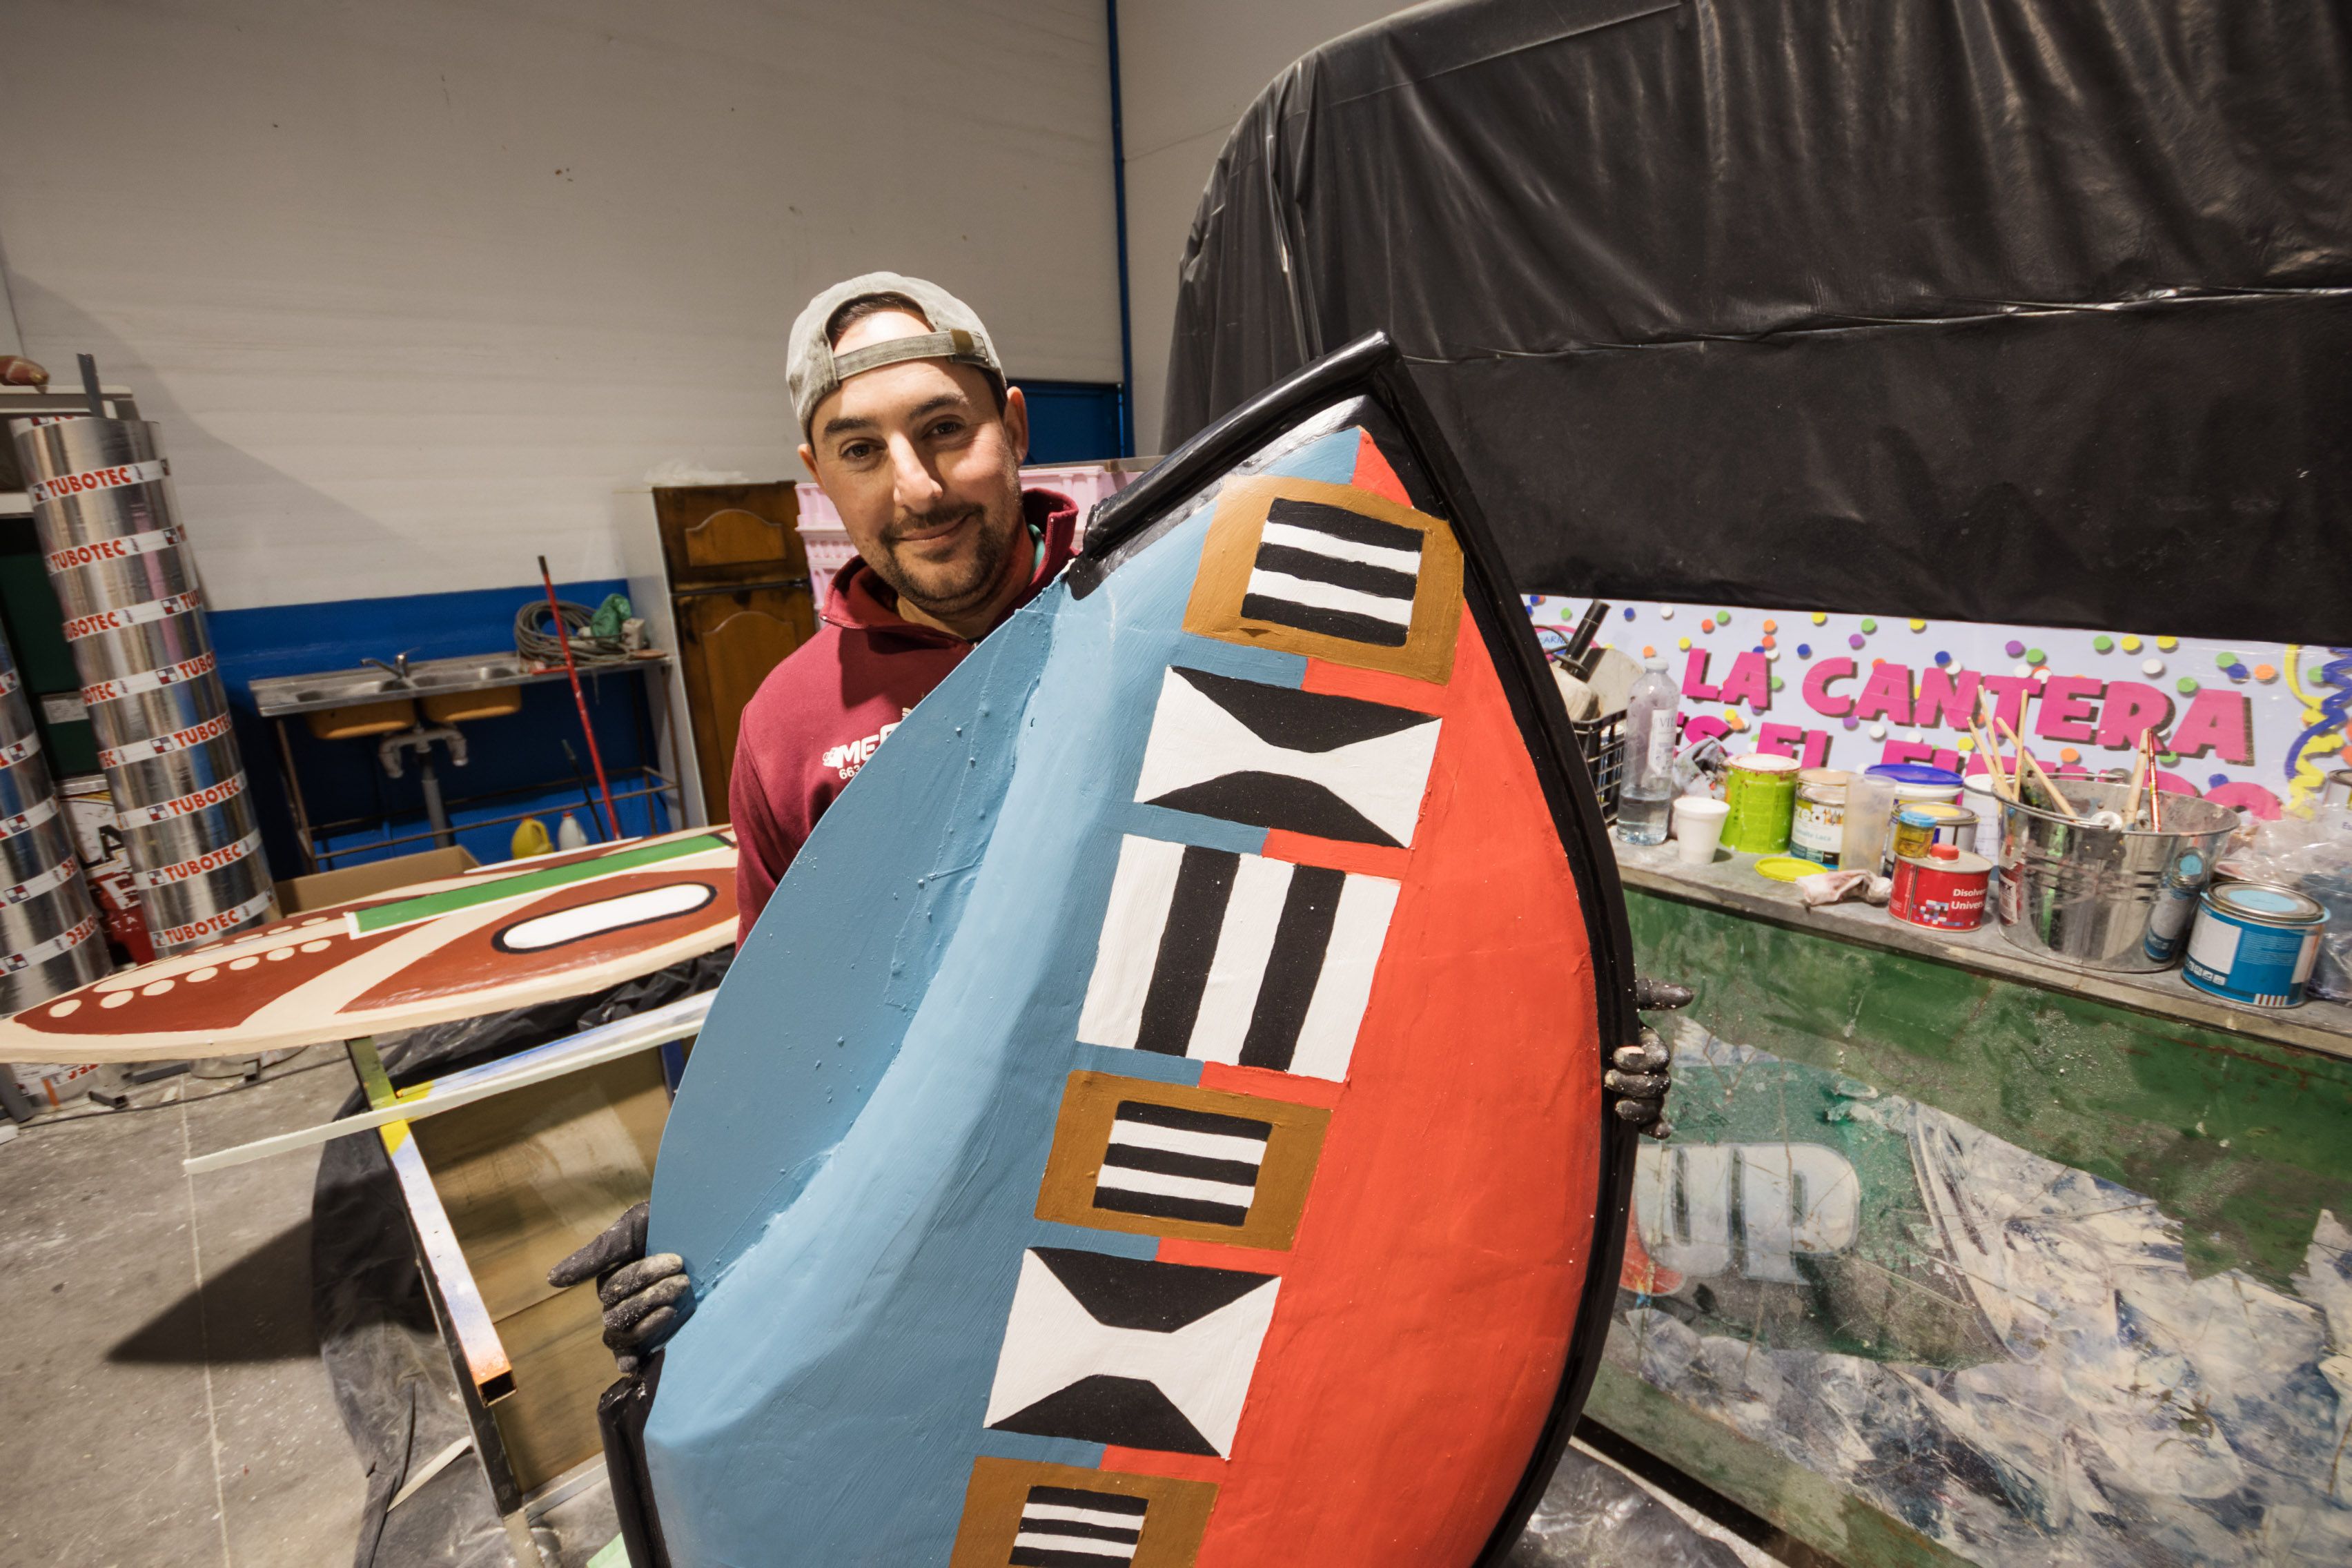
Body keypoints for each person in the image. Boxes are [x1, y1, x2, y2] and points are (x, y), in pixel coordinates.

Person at [549, 272, 1078, 1367]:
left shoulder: (1150, 599)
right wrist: (714, 1209)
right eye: (862, 451)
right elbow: (790, 1024)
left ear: (1014, 426)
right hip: (961, 1216)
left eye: (946, 429)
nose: (918, 487)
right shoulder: (790, 723)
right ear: (817, 480)